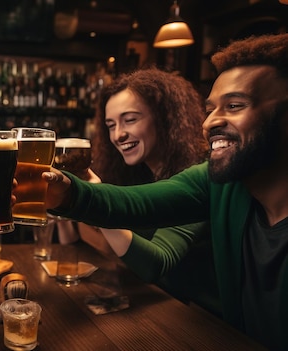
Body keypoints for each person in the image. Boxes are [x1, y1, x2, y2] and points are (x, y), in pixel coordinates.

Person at [43, 33, 288, 350]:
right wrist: (66, 194)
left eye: (235, 105)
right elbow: (132, 204)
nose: (211, 121)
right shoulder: (221, 182)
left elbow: (154, 261)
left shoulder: (221, 177)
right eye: (210, 108)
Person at [84, 67, 220, 315]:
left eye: (130, 119)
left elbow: (153, 264)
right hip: (159, 305)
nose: (118, 134)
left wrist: (93, 198)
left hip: (202, 319)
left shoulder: (197, 176)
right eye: (110, 125)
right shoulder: (139, 173)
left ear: (165, 117)